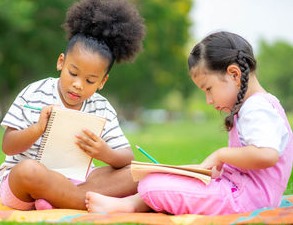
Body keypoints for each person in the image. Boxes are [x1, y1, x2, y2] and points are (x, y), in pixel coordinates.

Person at [85, 31, 293, 215]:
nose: (208, 100)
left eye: (208, 89)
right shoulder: (254, 106)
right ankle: (129, 203)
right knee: (162, 177)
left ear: (234, 74)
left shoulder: (256, 108)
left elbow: (267, 154)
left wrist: (220, 155)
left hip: (245, 200)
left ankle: (129, 206)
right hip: (238, 190)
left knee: (151, 185)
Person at [0, 0, 146, 210]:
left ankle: (59, 200)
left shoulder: (102, 107)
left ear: (102, 82)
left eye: (90, 80)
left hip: (79, 181)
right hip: (26, 186)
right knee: (28, 170)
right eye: (73, 73)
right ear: (61, 62)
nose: (78, 84)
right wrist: (37, 129)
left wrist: (104, 152)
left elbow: (126, 157)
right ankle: (79, 201)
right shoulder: (34, 93)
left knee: (139, 172)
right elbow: (8, 146)